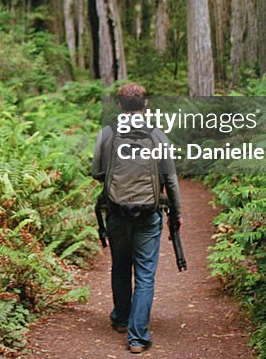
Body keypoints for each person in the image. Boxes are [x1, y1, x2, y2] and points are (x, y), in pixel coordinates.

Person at [91, 82, 183, 354]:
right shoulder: (157, 136)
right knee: (145, 274)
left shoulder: (108, 133)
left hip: (117, 212)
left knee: (120, 265)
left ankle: (121, 318)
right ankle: (137, 337)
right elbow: (171, 180)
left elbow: (97, 172)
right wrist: (175, 215)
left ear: (119, 105)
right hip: (148, 213)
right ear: (146, 105)